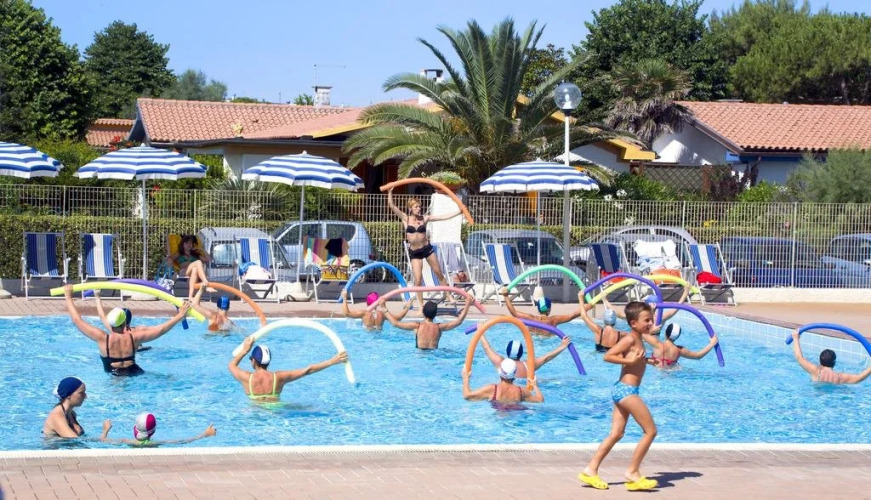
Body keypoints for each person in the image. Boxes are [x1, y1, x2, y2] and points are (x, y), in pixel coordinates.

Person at [578, 301, 659, 492]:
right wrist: (630, 361)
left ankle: (590, 470)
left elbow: (633, 358)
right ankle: (633, 472)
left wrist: (647, 361)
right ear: (633, 323)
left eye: (651, 319)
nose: (650, 323)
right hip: (627, 391)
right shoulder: (630, 339)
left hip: (622, 390)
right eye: (647, 320)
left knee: (617, 434)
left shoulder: (638, 338)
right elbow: (608, 356)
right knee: (650, 431)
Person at [66, 285, 191, 376]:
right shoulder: (134, 337)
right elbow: (160, 330)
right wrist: (179, 315)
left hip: (114, 374)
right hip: (134, 371)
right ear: (125, 322)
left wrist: (68, 296)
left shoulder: (102, 338)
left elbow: (77, 320)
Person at [387, 188, 461, 310]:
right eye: (416, 207)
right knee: (417, 279)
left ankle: (448, 295)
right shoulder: (406, 219)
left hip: (426, 249)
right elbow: (392, 206)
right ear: (410, 209)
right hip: (415, 252)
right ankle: (421, 306)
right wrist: (390, 192)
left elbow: (442, 217)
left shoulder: (424, 219)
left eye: (419, 207)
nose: (419, 209)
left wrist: (458, 212)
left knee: (438, 272)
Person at [228, 336, 349, 402]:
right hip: (276, 411)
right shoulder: (278, 377)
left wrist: (245, 350)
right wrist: (332, 361)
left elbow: (231, 366)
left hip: (255, 412)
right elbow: (308, 370)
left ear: (253, 361)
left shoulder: (247, 378)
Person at [382, 298, 472, 350]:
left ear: (423, 313)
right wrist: (467, 304)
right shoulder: (439, 327)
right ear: (435, 314)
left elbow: (395, 323)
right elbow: (459, 321)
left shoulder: (417, 326)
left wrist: (384, 308)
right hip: (435, 356)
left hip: (420, 357)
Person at [791, 330, 871, 384]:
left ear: (820, 361)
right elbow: (860, 377)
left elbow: (799, 357)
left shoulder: (815, 371)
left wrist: (795, 338)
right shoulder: (840, 378)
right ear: (834, 362)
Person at [478, 335, 572, 379]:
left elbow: (487, 348)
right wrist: (562, 346)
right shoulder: (528, 364)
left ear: (507, 351)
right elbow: (546, 358)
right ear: (521, 353)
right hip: (523, 392)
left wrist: (480, 331)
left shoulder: (501, 362)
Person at [99, 413, 216, 447]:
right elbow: (184, 441)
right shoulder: (155, 443)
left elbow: (103, 440)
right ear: (153, 431)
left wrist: (105, 430)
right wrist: (205, 434)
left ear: (135, 429)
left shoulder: (126, 441)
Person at [501, 288, 584, 334]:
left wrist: (506, 296)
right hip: (548, 343)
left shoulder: (531, 319)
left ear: (538, 309)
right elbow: (572, 315)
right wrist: (588, 306)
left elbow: (514, 313)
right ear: (549, 309)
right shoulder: (553, 320)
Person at [461, 359, 543, 403]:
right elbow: (540, 400)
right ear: (514, 373)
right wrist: (534, 385)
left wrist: (465, 378)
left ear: (500, 373)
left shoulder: (492, 389)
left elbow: (467, 395)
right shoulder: (521, 391)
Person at [646, 323, 719, 368]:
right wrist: (711, 344)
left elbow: (640, 333)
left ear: (665, 333)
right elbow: (698, 356)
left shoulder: (657, 344)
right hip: (671, 374)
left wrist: (651, 331)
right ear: (677, 336)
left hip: (655, 372)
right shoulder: (679, 350)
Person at [165, 234, 212, 299]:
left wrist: (202, 250)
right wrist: (169, 259)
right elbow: (170, 258)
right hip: (184, 272)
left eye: (190, 243)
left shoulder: (196, 255)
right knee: (198, 262)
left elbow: (209, 260)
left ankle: (190, 297)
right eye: (186, 243)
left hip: (194, 274)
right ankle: (205, 281)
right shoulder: (179, 254)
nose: (189, 245)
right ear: (183, 244)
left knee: (195, 269)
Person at [340, 290, 411, 331]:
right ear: (377, 303)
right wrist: (407, 307)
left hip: (367, 338)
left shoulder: (364, 313)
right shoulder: (383, 314)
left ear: (367, 302)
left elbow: (346, 314)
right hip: (379, 339)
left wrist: (344, 298)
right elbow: (398, 318)